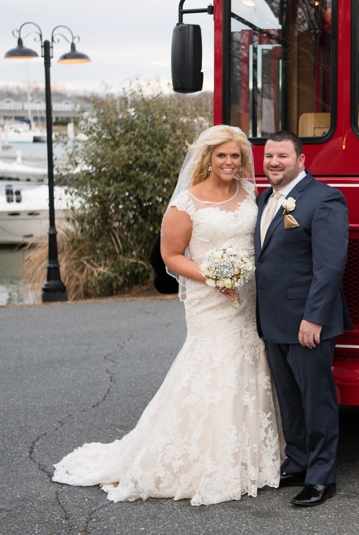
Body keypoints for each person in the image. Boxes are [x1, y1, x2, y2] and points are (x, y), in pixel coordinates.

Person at [51, 125, 282, 506]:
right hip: (209, 299)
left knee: (248, 362)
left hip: (248, 296)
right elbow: (171, 257)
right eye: (222, 155)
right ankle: (202, 459)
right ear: (208, 158)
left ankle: (248, 455)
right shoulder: (185, 205)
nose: (229, 162)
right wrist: (212, 276)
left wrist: (240, 277)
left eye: (235, 156)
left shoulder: (249, 193)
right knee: (213, 365)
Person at [255, 130, 351, 508]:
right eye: (268, 157)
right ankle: (297, 462)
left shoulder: (324, 198)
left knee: (317, 401)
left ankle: (321, 476)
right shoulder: (265, 198)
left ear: (300, 160)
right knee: (290, 400)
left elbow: (329, 266)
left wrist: (314, 319)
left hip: (307, 323)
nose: (274, 162)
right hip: (273, 320)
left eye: (282, 156)